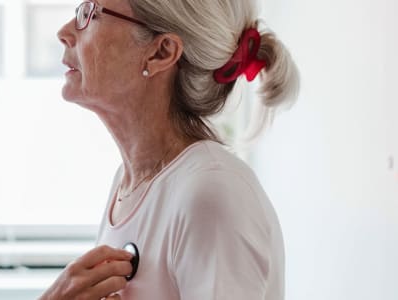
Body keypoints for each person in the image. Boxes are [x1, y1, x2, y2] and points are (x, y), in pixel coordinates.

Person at [42, 0, 299, 299]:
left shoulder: (212, 193)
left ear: (160, 52)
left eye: (91, 13)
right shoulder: (129, 184)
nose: (64, 32)